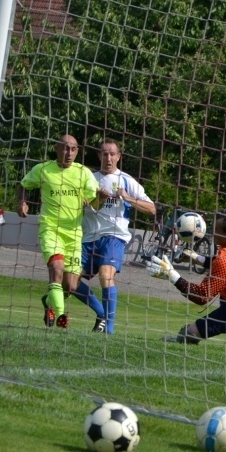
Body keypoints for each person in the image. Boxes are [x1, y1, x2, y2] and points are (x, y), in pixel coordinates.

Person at [73, 138, 156, 334]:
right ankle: (102, 312)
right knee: (69, 282)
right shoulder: (88, 178)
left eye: (112, 154)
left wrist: (127, 197)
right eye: (104, 153)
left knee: (105, 275)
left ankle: (109, 330)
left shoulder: (127, 180)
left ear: (119, 156)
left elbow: (152, 209)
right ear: (99, 155)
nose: (108, 158)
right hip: (88, 239)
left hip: (114, 237)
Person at [145, 210, 226, 349]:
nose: (212, 233)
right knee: (225, 289)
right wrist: (196, 258)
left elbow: (202, 296)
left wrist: (172, 275)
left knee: (187, 335)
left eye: (217, 231)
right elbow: (224, 265)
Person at [18, 135, 99, 328]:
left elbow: (95, 205)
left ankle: (49, 302)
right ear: (56, 148)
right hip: (50, 229)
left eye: (73, 149)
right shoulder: (43, 169)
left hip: (74, 233)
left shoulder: (84, 173)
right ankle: (62, 318)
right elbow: (23, 185)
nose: (68, 153)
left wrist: (100, 198)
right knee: (56, 269)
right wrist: (22, 202)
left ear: (78, 151)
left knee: (70, 285)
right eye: (65, 148)